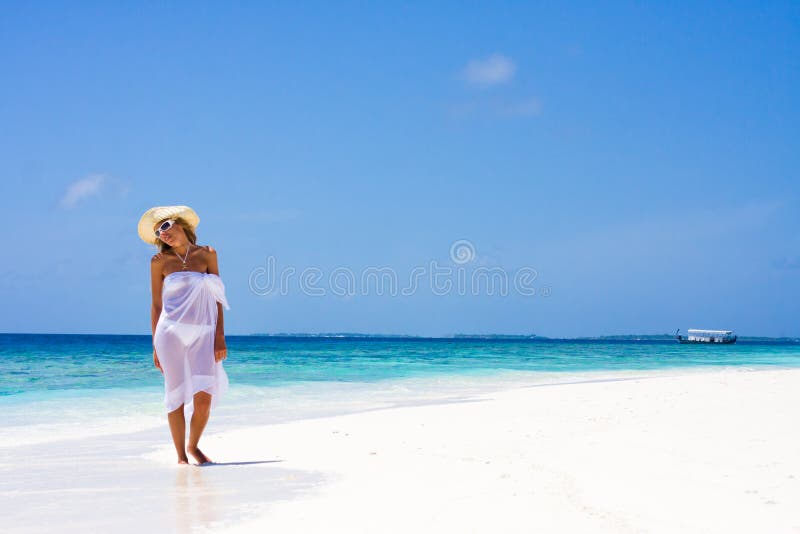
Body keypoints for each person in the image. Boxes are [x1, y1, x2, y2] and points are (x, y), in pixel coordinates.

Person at [138, 205, 231, 465]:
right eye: (158, 232)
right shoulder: (159, 262)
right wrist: (155, 346)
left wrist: (219, 336)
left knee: (204, 399)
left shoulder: (207, 254)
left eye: (165, 226)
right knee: (175, 396)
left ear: (181, 224)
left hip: (204, 334)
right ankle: (181, 456)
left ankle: (193, 446)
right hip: (169, 335)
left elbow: (217, 297)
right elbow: (156, 305)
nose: (163, 233)